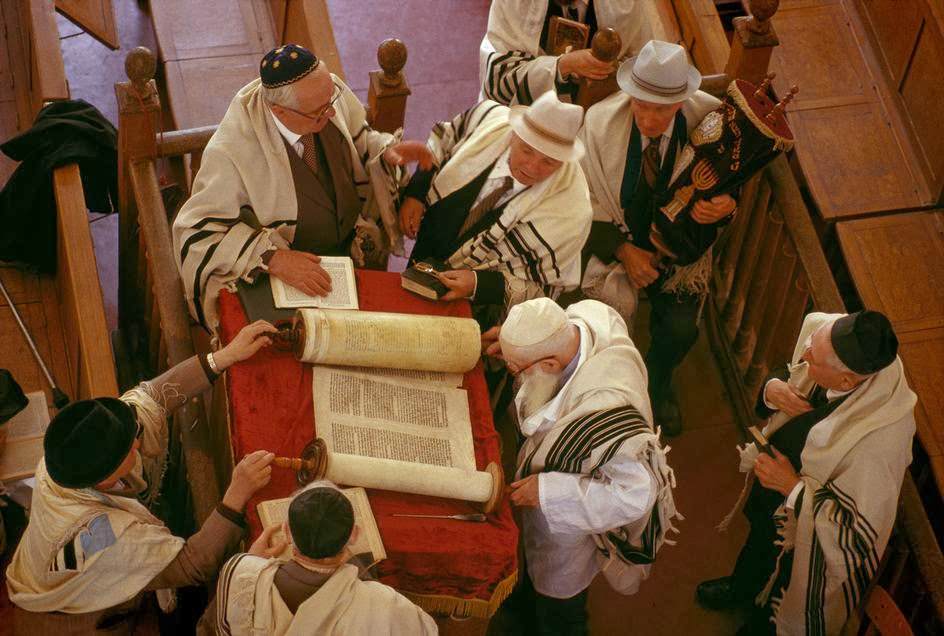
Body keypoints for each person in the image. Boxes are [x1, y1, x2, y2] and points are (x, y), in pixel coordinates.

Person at [5, 321, 279, 634]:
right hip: (68, 613)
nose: (137, 441)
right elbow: (192, 565)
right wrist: (235, 494)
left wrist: (225, 356)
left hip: (39, 564)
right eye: (129, 448)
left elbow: (150, 398)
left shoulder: (62, 462)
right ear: (106, 479)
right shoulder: (105, 538)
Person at [173, 44, 432, 330]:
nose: (332, 113)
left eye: (331, 100)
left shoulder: (326, 92)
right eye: (319, 112)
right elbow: (195, 232)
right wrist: (272, 258)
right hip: (288, 280)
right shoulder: (232, 151)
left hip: (353, 259)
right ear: (279, 111)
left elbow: (362, 140)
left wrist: (385, 154)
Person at [697, 310, 917, 635]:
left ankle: (762, 625)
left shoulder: (879, 444)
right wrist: (772, 389)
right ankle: (741, 587)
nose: (805, 354)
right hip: (774, 493)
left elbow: (854, 535)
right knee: (759, 541)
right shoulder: (832, 339)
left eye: (814, 360)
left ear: (846, 381)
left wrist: (792, 488)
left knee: (783, 582)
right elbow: (790, 369)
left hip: (802, 532)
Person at [484, 297, 678, 635]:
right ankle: (523, 608)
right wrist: (516, 343)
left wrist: (548, 492)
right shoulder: (586, 318)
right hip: (544, 496)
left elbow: (636, 495)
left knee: (559, 609)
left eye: (518, 371)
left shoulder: (606, 408)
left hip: (568, 530)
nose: (515, 377)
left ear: (549, 363)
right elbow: (547, 331)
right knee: (531, 575)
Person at [579, 40, 736, 436]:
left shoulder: (713, 122)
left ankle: (657, 382)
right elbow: (583, 199)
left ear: (682, 102)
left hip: (680, 248)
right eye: (640, 104)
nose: (648, 119)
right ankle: (606, 387)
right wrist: (623, 249)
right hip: (615, 238)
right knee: (606, 316)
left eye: (661, 109)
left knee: (681, 329)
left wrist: (725, 205)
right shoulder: (599, 122)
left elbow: (734, 180)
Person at [400, 91, 592, 325]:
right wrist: (416, 193)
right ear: (514, 134)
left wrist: (480, 285)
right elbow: (442, 140)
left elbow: (547, 288)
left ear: (563, 161)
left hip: (478, 311)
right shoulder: (487, 119)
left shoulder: (573, 212)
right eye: (527, 150)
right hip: (422, 259)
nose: (532, 167)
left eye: (548, 162)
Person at [212, 482, 437, 635]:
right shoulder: (383, 603)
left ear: (287, 532)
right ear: (354, 535)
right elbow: (427, 630)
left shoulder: (240, 571)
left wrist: (253, 562)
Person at [480, 0, 653, 105]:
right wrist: (563, 65)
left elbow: (640, 66)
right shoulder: (515, 4)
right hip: (525, 117)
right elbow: (498, 80)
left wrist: (606, 74)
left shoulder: (627, 6)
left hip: (595, 120)